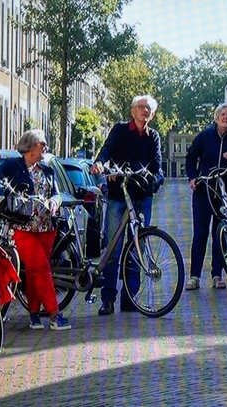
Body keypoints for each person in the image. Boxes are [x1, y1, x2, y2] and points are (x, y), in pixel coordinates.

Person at [0, 129, 71, 331]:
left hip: (46, 227)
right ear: (30, 147)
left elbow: (57, 194)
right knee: (41, 269)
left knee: (35, 271)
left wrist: (55, 202)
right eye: (42, 144)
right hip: (23, 227)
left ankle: (34, 315)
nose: (45, 147)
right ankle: (55, 315)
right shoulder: (14, 165)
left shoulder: (48, 170)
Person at [91, 95, 162, 316]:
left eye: (148, 108)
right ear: (133, 111)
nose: (144, 111)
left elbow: (157, 165)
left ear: (152, 113)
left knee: (136, 248)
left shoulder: (154, 137)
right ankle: (108, 299)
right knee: (113, 247)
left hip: (141, 197)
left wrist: (155, 179)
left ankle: (130, 298)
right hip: (118, 196)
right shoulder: (120, 130)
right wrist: (101, 164)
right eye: (141, 107)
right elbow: (107, 150)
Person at [185, 103, 227, 290]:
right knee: (200, 233)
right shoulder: (205, 137)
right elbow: (190, 157)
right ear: (216, 118)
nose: (226, 117)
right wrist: (192, 178)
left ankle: (217, 275)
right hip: (204, 189)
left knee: (221, 233)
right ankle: (194, 276)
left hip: (226, 190)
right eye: (222, 114)